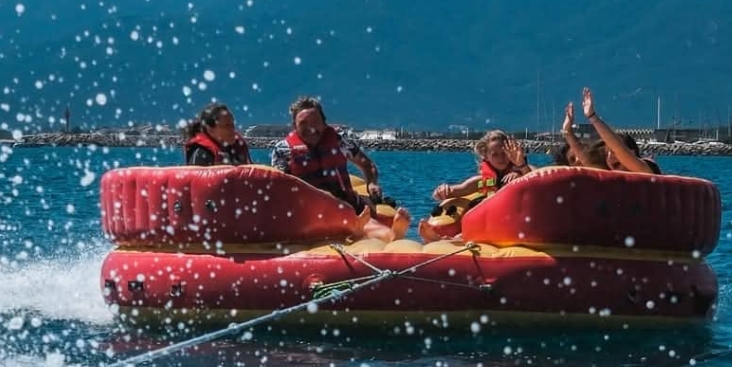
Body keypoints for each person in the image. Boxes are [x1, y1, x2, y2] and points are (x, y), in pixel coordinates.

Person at [270, 96, 411, 241]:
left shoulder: (340, 140)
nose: (310, 128)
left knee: (367, 220)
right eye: (303, 123)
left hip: (348, 204)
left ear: (324, 123)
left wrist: (372, 183)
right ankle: (357, 229)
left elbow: (367, 165)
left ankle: (390, 235)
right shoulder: (283, 150)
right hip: (310, 211)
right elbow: (282, 188)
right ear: (294, 126)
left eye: (315, 122)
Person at [431, 130, 532, 201]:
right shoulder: (481, 182)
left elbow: (539, 181)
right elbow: (459, 190)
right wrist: (441, 191)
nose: (501, 158)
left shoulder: (524, 170)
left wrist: (521, 166)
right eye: (495, 154)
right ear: (486, 156)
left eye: (504, 153)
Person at [581, 88, 662, 174]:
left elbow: (619, 149)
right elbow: (584, 159)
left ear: (632, 152)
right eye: (607, 153)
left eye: (613, 152)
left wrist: (592, 116)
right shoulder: (609, 179)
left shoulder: (647, 170)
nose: (610, 156)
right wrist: (568, 133)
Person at [182, 102, 252, 166]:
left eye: (232, 125)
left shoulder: (237, 148)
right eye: (226, 126)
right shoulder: (201, 153)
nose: (232, 130)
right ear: (210, 129)